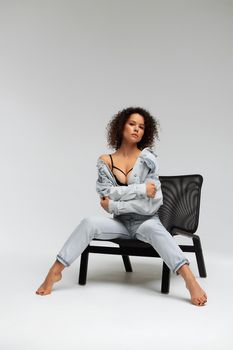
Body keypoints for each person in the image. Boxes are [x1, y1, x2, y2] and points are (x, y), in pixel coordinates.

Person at [36, 107, 207, 306]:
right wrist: (141, 189)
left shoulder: (148, 159)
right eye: (132, 124)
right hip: (121, 225)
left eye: (141, 127)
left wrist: (116, 204)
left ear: (146, 131)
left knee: (157, 231)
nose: (137, 129)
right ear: (121, 126)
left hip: (146, 222)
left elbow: (151, 204)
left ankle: (190, 280)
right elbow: (105, 196)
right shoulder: (105, 161)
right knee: (88, 223)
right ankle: (55, 272)